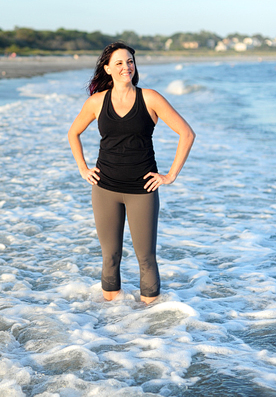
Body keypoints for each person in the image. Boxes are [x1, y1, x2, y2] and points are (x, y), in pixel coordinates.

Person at [67, 42, 195, 305]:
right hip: (105, 189)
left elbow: (187, 133)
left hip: (142, 189)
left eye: (130, 62)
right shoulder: (96, 101)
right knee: (110, 256)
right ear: (108, 69)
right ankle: (114, 324)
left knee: (146, 258)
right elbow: (73, 133)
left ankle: (150, 329)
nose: (126, 67)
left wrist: (170, 175)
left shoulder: (150, 98)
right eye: (119, 63)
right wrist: (82, 167)